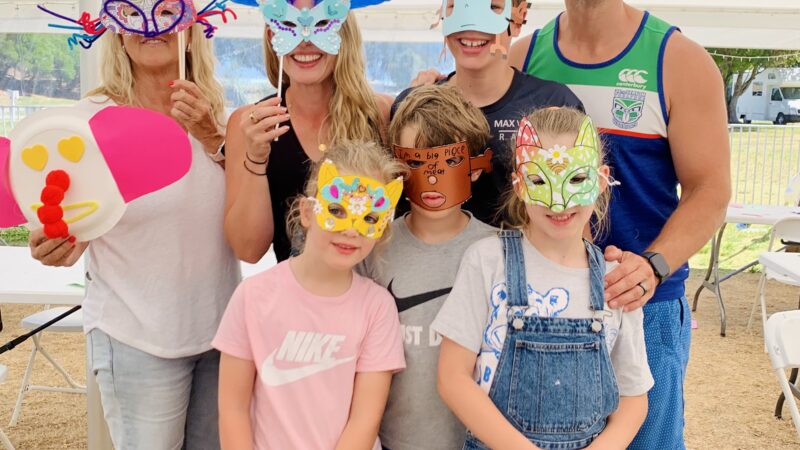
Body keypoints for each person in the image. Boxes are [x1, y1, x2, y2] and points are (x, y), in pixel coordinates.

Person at [508, 2, 730, 447]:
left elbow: (710, 190)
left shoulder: (678, 59)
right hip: (543, 304)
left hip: (642, 304)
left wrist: (651, 266)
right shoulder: (522, 55)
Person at [29, 22, 240, 450]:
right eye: (133, 9)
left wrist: (213, 136)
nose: (150, 23)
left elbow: (249, 206)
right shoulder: (90, 123)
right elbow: (74, 223)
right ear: (115, 28)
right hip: (136, 337)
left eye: (166, 9)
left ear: (193, 26)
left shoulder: (219, 113)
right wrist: (58, 242)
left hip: (220, 332)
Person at [434, 107, 653, 450]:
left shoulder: (615, 282)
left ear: (600, 179)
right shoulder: (487, 262)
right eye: (540, 180)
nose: (559, 199)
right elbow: (452, 377)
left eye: (576, 179)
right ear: (519, 184)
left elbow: (634, 397)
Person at [214, 142, 407, 450]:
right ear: (307, 211)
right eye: (337, 211)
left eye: (369, 218)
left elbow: (365, 419)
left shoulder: (377, 308)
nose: (351, 231)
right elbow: (232, 409)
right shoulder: (253, 296)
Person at [359, 84, 496, 450]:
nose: (432, 178)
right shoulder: (370, 247)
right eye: (417, 162)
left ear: (476, 167)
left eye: (450, 162)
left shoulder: (500, 252)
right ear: (398, 166)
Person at [223, 0, 393, 263]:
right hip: (292, 298)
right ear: (272, 35)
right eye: (289, 23)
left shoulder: (381, 115)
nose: (304, 40)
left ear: (342, 31)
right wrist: (255, 158)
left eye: (321, 23)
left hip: (370, 294)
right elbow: (248, 250)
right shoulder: (250, 125)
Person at [394, 0, 582, 226]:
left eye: (492, 7)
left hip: (525, 256)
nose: (472, 24)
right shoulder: (412, 107)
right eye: (457, 6)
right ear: (443, 13)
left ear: (519, 16)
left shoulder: (553, 102)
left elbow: (578, 203)